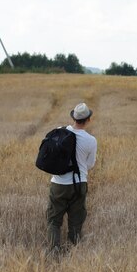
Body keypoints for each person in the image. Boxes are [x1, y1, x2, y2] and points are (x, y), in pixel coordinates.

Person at [46, 102, 97, 255]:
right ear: (88, 120)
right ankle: (73, 252)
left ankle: (53, 251)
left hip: (59, 183)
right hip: (79, 184)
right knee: (76, 220)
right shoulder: (91, 140)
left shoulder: (61, 131)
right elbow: (90, 164)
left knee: (54, 220)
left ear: (73, 118)